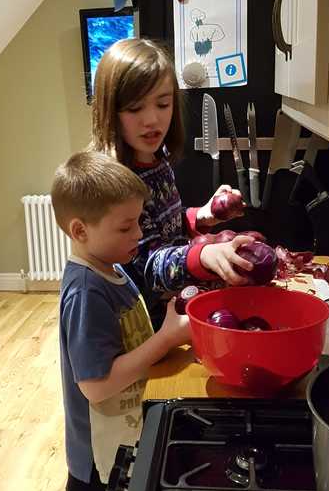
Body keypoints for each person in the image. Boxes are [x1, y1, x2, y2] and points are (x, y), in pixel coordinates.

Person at [50, 150, 191, 491]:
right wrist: (164, 340)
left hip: (116, 452)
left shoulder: (109, 267)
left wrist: (170, 343)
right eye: (127, 226)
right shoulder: (86, 290)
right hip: (96, 471)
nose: (139, 234)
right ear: (81, 229)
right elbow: (98, 381)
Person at [92, 37, 254, 328]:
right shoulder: (115, 182)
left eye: (163, 104)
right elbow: (148, 266)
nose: (152, 119)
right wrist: (203, 254)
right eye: (134, 108)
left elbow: (162, 228)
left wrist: (202, 216)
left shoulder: (158, 158)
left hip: (171, 309)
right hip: (142, 324)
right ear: (109, 111)